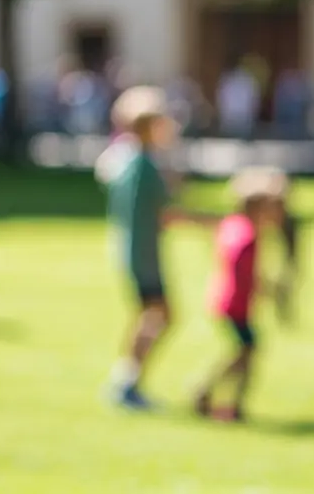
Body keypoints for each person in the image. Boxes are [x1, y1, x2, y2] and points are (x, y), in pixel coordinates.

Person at [103, 85, 213, 410]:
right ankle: (126, 382)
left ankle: (127, 381)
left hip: (134, 251)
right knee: (159, 315)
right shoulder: (143, 166)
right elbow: (168, 213)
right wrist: (212, 223)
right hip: (143, 255)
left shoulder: (128, 160)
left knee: (151, 315)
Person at [194, 167, 289, 422]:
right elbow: (242, 268)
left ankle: (218, 397)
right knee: (247, 350)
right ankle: (219, 398)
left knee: (246, 351)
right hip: (234, 304)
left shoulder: (235, 225)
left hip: (229, 301)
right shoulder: (246, 235)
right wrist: (267, 290)